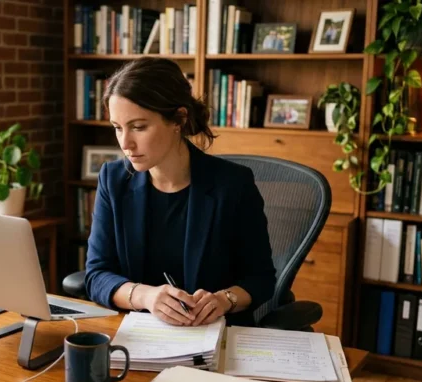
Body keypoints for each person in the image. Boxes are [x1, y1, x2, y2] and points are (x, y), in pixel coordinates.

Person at [84, 57, 277, 327]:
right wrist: (145, 296)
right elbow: (96, 275)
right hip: (140, 337)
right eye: (118, 128)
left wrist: (224, 300)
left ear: (178, 119)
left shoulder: (233, 184)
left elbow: (261, 279)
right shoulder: (113, 180)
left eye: (139, 127)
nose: (125, 143)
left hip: (211, 337)